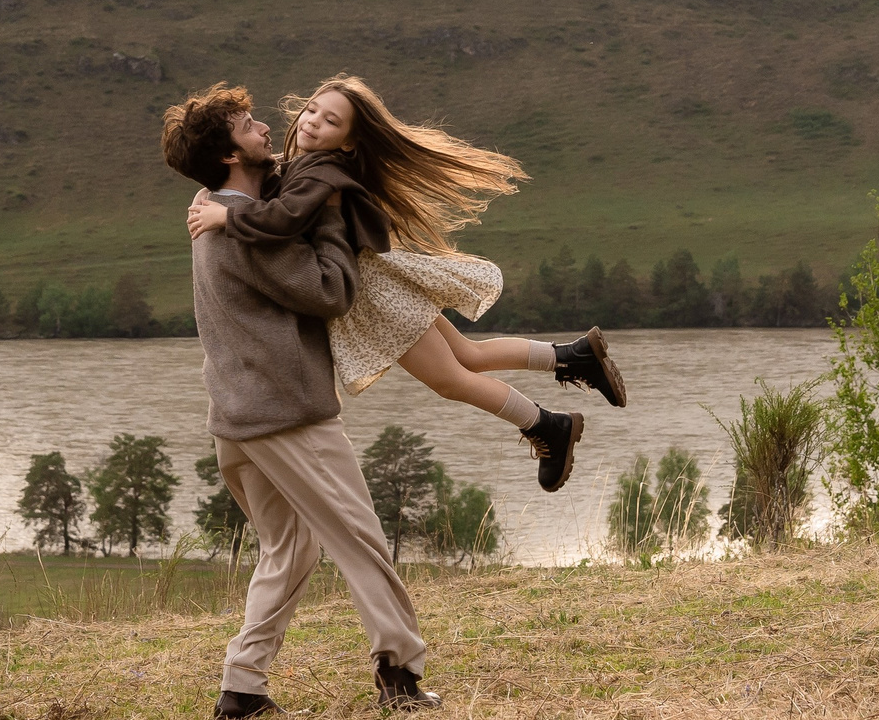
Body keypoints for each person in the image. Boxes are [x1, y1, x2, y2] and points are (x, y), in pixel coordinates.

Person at [187, 73, 626, 492]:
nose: (313, 121)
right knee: (468, 356)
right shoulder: (308, 163)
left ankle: (547, 425)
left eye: (331, 120)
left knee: (450, 380)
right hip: (380, 284)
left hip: (371, 299)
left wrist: (225, 214)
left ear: (349, 139)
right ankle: (572, 357)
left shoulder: (319, 172)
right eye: (312, 110)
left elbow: (283, 217)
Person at [162, 83, 441, 720]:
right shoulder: (244, 231)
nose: (266, 127)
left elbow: (278, 203)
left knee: (290, 548)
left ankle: (243, 688)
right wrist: (335, 217)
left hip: (235, 419)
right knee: (360, 540)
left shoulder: (213, 205)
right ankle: (400, 674)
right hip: (285, 414)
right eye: (247, 124)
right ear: (231, 155)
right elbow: (331, 290)